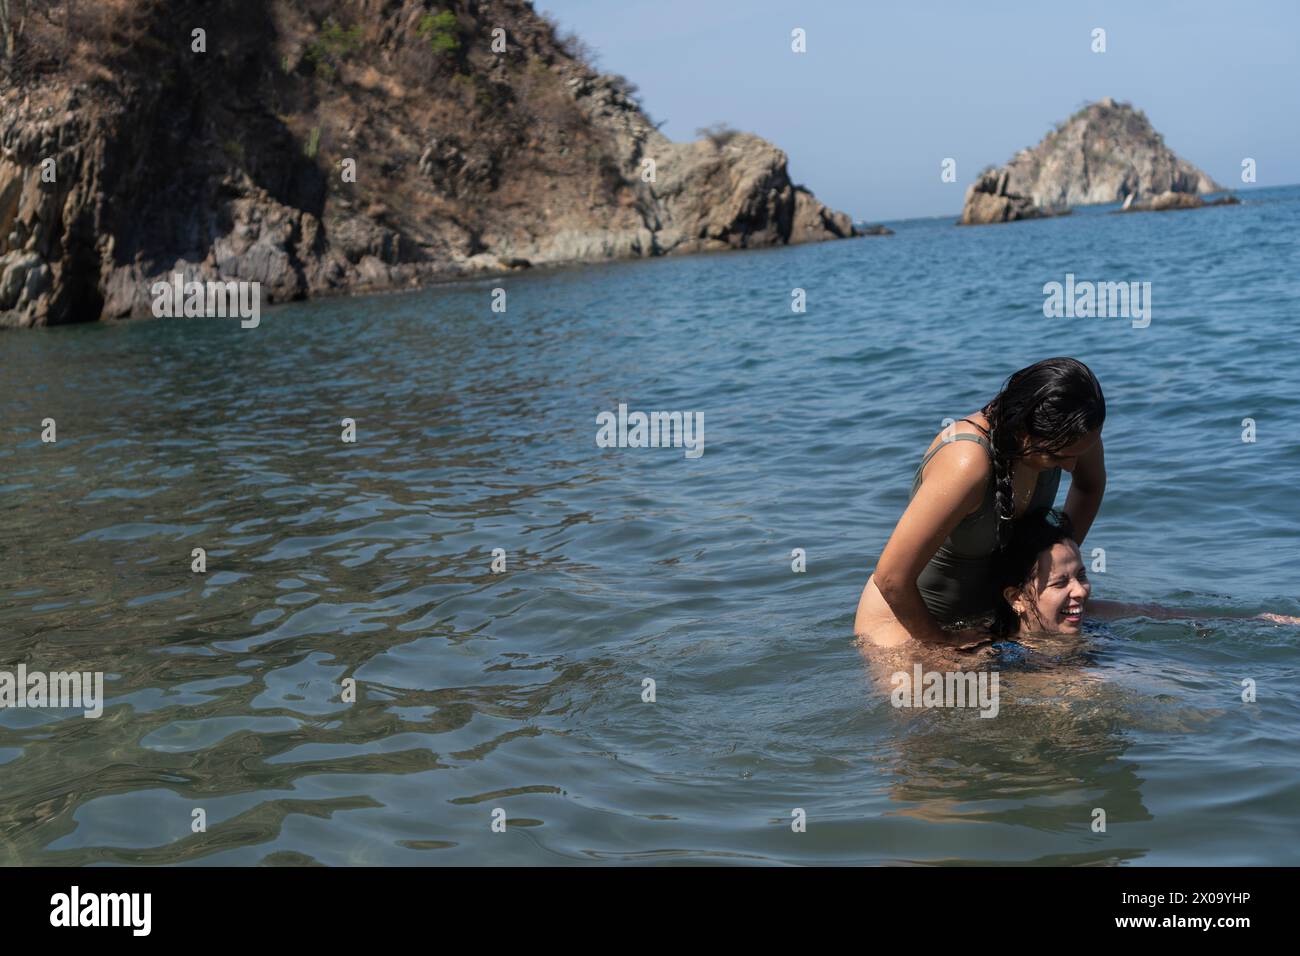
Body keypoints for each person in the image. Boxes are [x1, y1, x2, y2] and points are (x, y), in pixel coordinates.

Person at [855, 357, 1106, 647]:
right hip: (907, 624)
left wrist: (1055, 574)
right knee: (983, 691)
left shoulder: (1075, 432)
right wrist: (941, 640)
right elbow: (890, 579)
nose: (1072, 465)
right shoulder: (967, 462)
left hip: (994, 615)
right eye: (1058, 458)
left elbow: (1090, 486)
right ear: (1022, 432)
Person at [993, 508, 1300, 635]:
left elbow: (1158, 613)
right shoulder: (1006, 652)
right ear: (1017, 597)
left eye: (1082, 576)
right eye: (1061, 582)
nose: (1080, 590)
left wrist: (1258, 621)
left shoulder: (1095, 614)